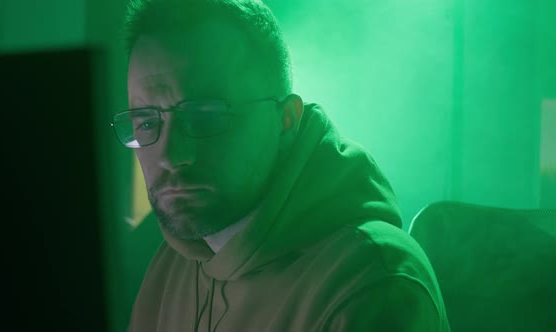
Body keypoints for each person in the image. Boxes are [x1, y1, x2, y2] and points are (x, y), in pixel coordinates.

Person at [112, 0, 451, 330]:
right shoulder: (174, 262)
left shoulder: (374, 286)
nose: (170, 156)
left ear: (286, 120)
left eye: (204, 116)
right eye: (146, 122)